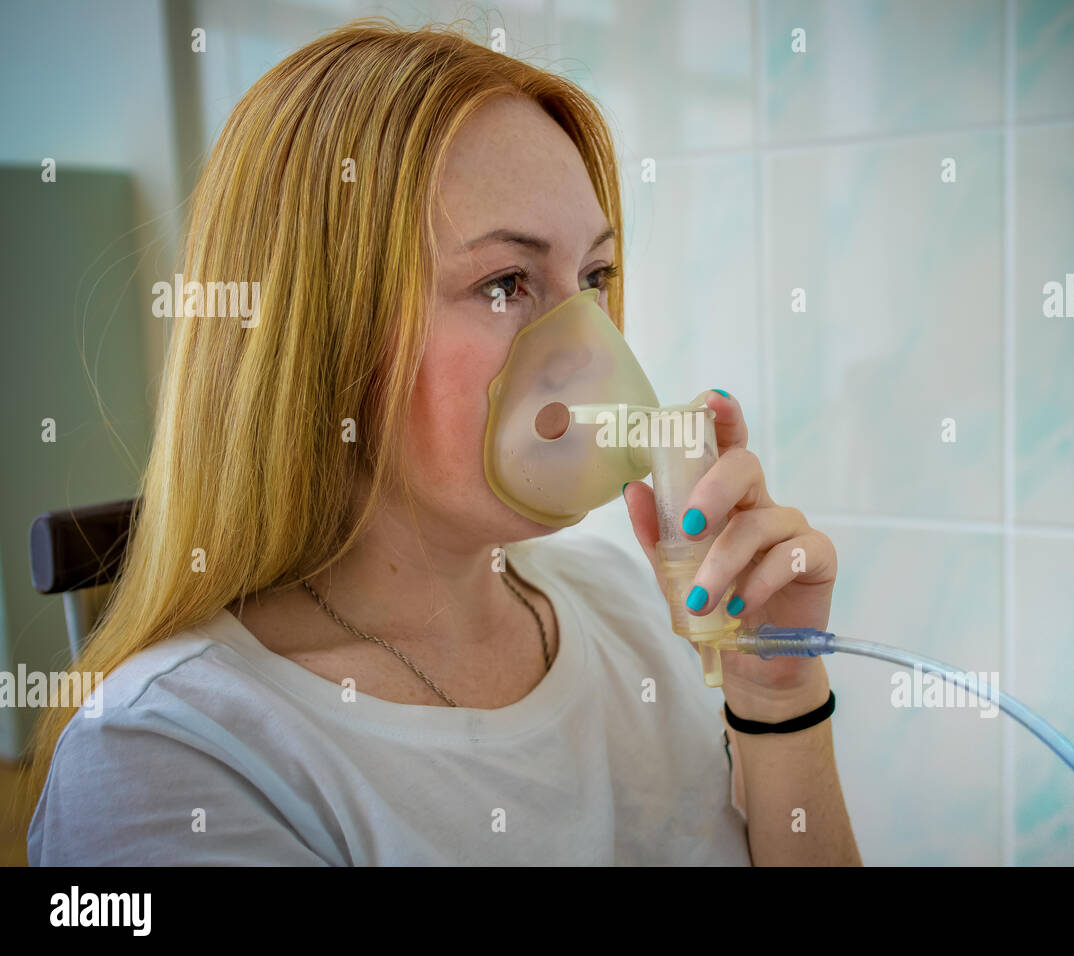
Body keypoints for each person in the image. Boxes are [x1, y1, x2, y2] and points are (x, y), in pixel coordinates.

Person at [23, 20, 860, 866]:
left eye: (594, 278)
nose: (592, 346)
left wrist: (776, 695)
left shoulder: (633, 608)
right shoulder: (169, 757)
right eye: (504, 283)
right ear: (322, 335)